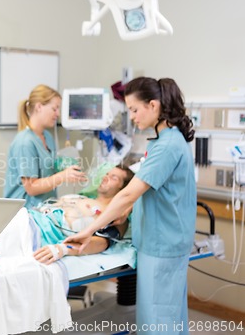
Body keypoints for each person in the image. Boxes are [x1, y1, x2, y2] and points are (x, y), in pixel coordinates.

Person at [65, 77, 196, 335]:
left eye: (135, 110)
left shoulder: (167, 146)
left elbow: (128, 194)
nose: (133, 117)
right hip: (164, 240)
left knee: (158, 322)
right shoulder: (164, 141)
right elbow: (150, 192)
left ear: (154, 105)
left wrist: (89, 230)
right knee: (169, 316)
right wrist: (125, 211)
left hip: (162, 245)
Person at [3, 84, 86, 208]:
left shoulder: (47, 136)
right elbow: (31, 187)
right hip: (25, 213)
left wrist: (67, 168)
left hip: (45, 208)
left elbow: (48, 169)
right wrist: (63, 176)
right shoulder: (24, 143)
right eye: (54, 109)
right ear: (39, 107)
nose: (58, 114)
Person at [32, 165, 134, 265]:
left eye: (113, 177)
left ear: (124, 188)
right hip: (32, 216)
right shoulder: (83, 197)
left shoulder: (117, 215)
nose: (105, 177)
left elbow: (103, 242)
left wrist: (63, 249)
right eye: (106, 174)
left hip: (40, 232)